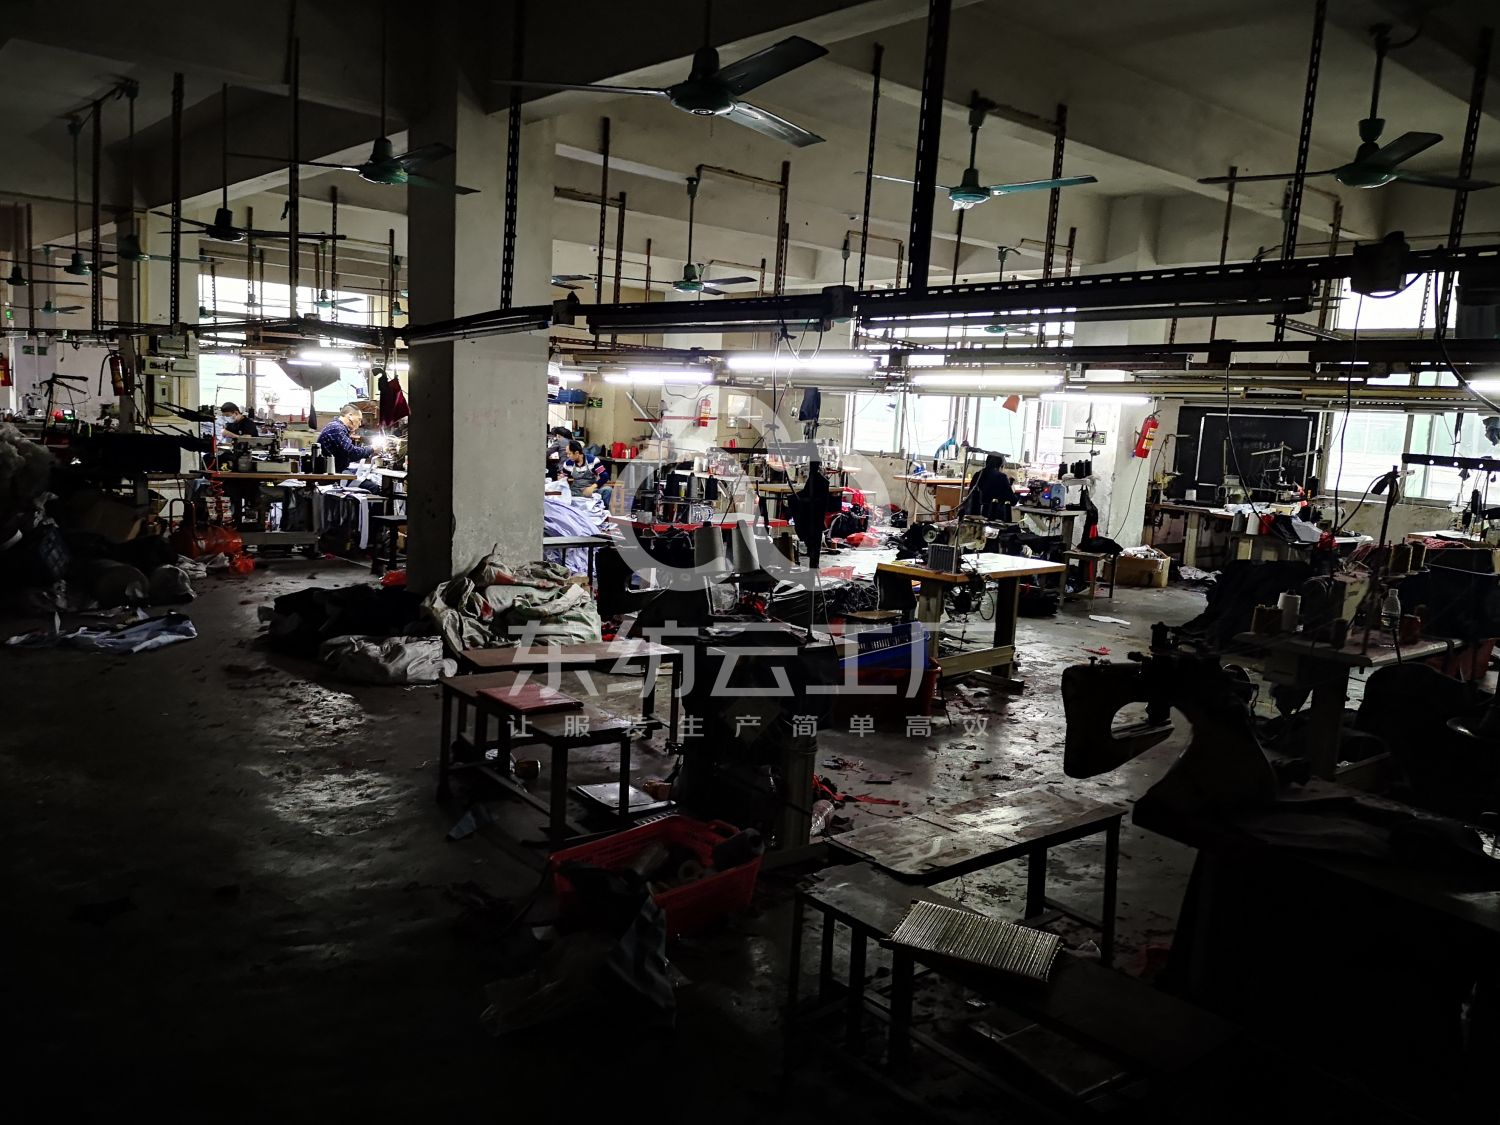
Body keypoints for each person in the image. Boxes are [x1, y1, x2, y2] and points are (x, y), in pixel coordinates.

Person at [317, 402, 375, 472]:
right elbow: (351, 453)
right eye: (359, 419)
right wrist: (372, 448)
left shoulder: (336, 427)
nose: (360, 424)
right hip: (331, 473)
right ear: (350, 416)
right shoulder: (337, 429)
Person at [556, 440, 610, 506]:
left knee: (608, 490)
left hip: (592, 490)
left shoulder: (592, 461)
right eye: (567, 454)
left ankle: (604, 511)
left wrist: (592, 487)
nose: (567, 456)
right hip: (575, 492)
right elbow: (565, 477)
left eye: (569, 454)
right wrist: (561, 478)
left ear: (577, 453)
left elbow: (605, 476)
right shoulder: (568, 464)